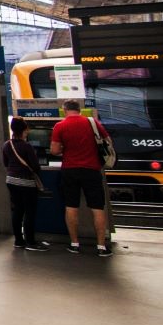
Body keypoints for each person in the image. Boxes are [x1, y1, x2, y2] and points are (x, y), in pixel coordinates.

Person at [50, 99, 112, 256]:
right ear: (79, 109)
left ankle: (74, 244)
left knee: (71, 206)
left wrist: (66, 149)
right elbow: (108, 141)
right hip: (92, 170)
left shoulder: (60, 126)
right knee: (97, 208)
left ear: (64, 110)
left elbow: (54, 150)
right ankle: (101, 246)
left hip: (70, 170)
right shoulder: (92, 123)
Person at [4, 117, 48, 252]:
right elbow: (35, 166)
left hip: (11, 181)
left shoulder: (7, 144)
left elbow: (6, 163)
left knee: (17, 210)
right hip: (26, 182)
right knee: (30, 212)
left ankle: (18, 240)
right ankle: (31, 242)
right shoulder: (27, 146)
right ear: (24, 130)